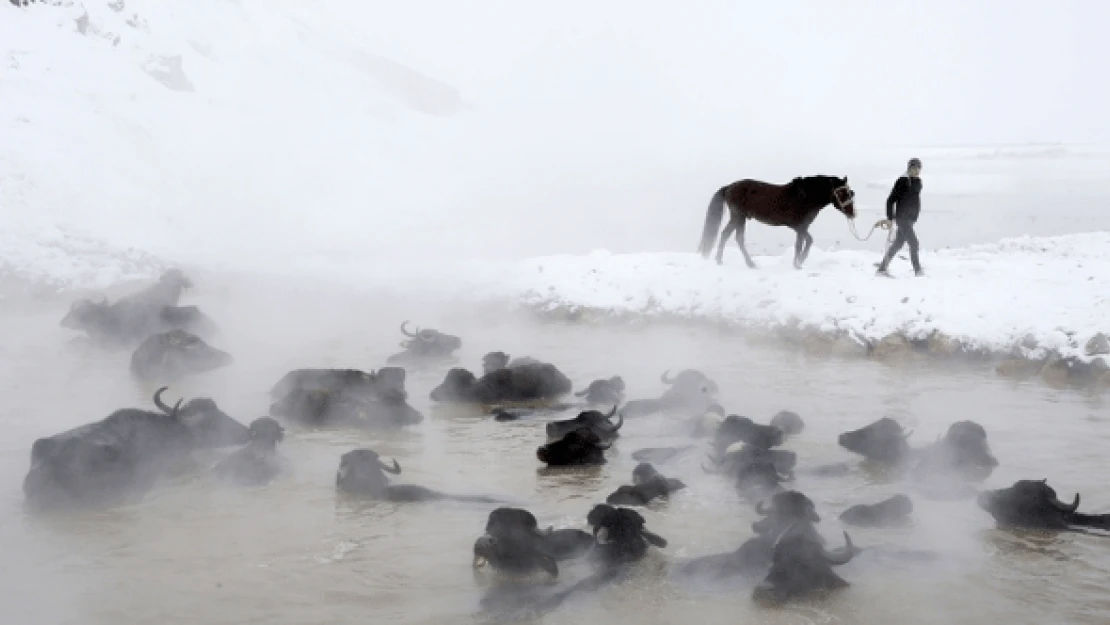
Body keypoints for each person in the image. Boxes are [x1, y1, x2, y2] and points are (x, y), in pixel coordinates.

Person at [876, 158, 924, 277]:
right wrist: (890, 218)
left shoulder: (918, 182)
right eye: (913, 168)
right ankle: (918, 271)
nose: (916, 171)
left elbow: (913, 199)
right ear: (909, 169)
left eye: (918, 169)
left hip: (911, 219)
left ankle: (882, 269)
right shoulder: (902, 181)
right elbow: (890, 200)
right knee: (914, 243)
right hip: (902, 218)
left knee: (898, 244)